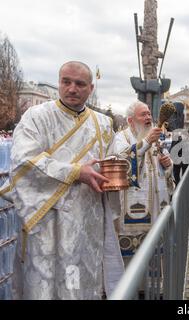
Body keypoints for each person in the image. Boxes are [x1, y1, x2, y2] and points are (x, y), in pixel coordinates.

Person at [3, 61, 124, 299]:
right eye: (66, 82)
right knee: (45, 287)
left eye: (79, 84)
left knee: (80, 285)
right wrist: (76, 172)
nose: (72, 88)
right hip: (47, 222)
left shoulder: (103, 124)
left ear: (90, 88)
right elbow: (23, 163)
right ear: (59, 83)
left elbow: (108, 163)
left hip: (87, 222)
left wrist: (117, 173)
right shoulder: (36, 117)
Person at [109, 101, 174, 262]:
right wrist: (145, 143)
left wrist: (168, 164)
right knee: (133, 261)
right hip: (131, 211)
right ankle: (132, 288)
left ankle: (152, 286)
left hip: (156, 208)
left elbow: (162, 170)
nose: (148, 118)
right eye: (143, 114)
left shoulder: (153, 137)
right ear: (130, 120)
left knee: (153, 255)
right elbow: (121, 163)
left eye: (149, 114)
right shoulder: (120, 138)